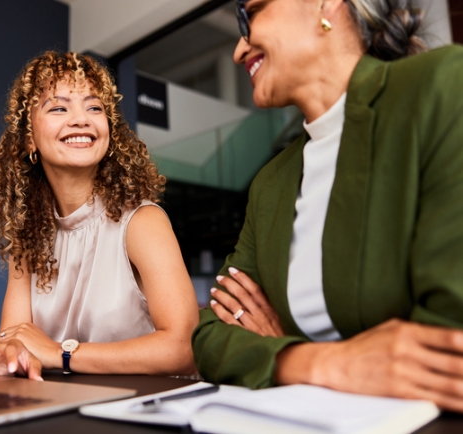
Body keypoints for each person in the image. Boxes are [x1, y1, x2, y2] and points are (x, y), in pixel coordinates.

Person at [193, 0, 463, 412]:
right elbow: (212, 333)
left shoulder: (443, 85)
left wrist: (275, 345)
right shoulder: (271, 182)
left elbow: (447, 351)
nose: (238, 50)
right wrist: (312, 360)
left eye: (251, 13)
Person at [0, 51, 198, 380]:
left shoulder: (143, 222)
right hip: (68, 406)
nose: (81, 119)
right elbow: (14, 338)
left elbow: (184, 349)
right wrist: (5, 354)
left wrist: (61, 353)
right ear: (29, 138)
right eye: (58, 107)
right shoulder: (28, 239)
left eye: (94, 107)